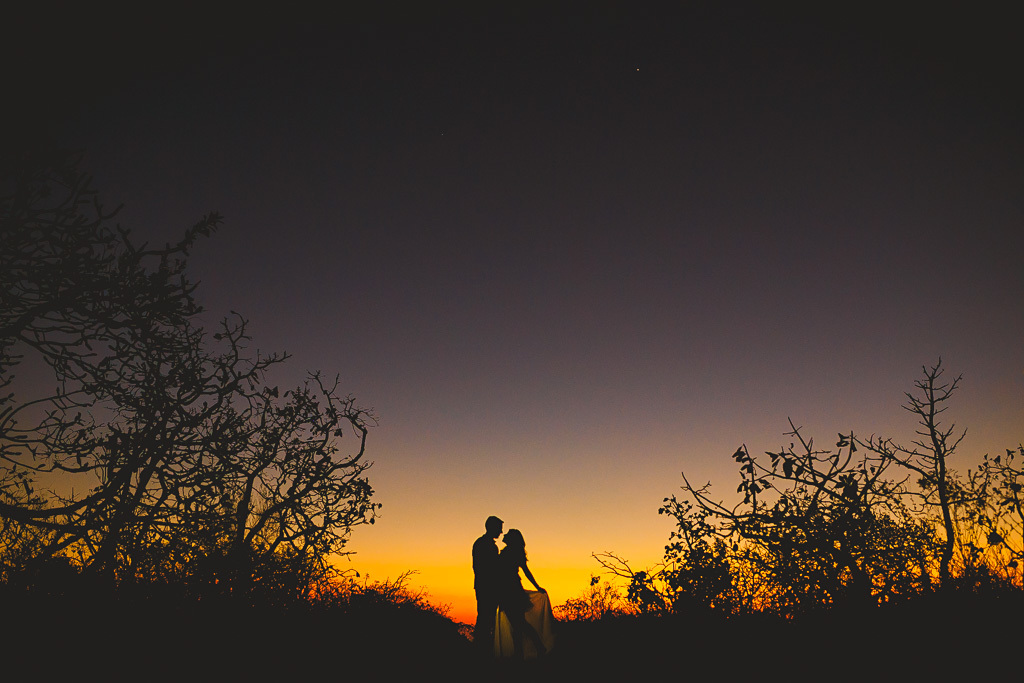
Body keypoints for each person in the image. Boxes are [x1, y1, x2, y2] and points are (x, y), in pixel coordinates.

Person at [495, 528, 554, 659]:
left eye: (508, 535)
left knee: (518, 624)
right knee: (517, 624)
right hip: (508, 590)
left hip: (512, 590)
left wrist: (537, 586)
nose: (505, 535)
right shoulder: (510, 551)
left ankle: (533, 649)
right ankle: (523, 652)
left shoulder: (514, 552)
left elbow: (526, 571)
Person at [472, 515, 503, 648]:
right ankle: (481, 648)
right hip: (487, 588)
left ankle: (482, 647)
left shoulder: (481, 543)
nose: (501, 532)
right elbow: (484, 568)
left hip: (485, 586)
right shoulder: (484, 545)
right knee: (486, 619)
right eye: (499, 529)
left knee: (487, 619)